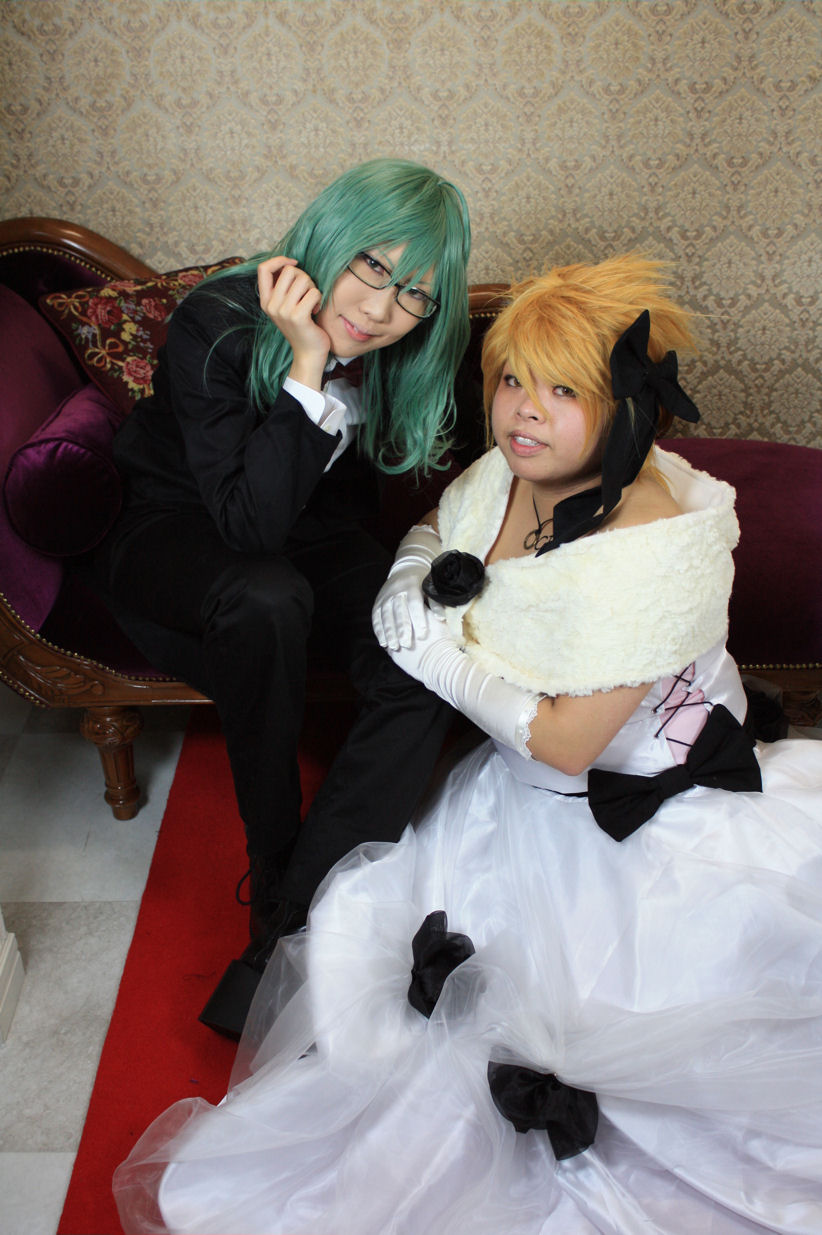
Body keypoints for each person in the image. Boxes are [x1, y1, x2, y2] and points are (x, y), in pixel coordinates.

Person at [113, 255, 822, 1234]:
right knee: (371, 955)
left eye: (562, 390)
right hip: (515, 795)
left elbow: (566, 742)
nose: (524, 410)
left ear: (623, 410)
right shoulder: (522, 465)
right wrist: (411, 579)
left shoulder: (653, 553)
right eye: (513, 379)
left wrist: (432, 655)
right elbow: (444, 521)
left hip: (643, 818)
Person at [91, 158, 472, 1038]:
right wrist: (307, 359)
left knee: (423, 643)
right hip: (173, 531)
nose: (380, 309)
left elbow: (336, 513)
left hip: (301, 536)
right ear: (332, 234)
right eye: (372, 266)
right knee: (267, 596)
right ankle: (271, 865)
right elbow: (246, 523)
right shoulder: (218, 320)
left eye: (414, 293)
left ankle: (292, 922)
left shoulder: (404, 353)